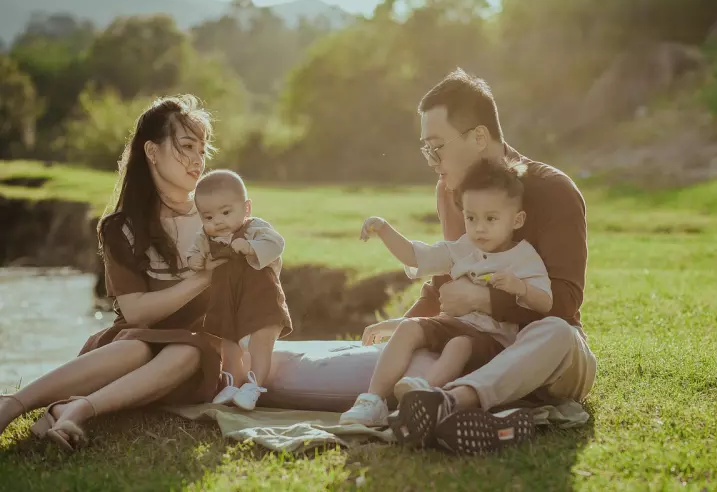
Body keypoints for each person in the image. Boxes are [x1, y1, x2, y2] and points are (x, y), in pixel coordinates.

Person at [0, 95, 280, 451]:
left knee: (188, 351)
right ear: (152, 151)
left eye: (202, 149)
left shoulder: (220, 216)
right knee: (135, 348)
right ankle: (13, 404)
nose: (198, 159)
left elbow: (262, 281)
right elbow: (136, 314)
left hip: (197, 351)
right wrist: (202, 278)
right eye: (187, 146)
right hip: (134, 342)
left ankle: (76, 410)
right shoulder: (121, 227)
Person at [360, 69, 597, 455]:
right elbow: (447, 279)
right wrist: (408, 326)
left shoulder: (554, 191)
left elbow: (565, 304)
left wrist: (483, 300)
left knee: (556, 332)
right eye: (426, 149)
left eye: (437, 147)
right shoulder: (451, 191)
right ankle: (464, 410)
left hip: (548, 360)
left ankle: (453, 403)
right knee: (402, 367)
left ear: (480, 137)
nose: (432, 161)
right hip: (478, 349)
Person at [340, 158, 552, 428]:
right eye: (471, 218)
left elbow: (545, 303)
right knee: (408, 328)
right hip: (452, 323)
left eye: (491, 218)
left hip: (492, 341)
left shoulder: (524, 258)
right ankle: (373, 400)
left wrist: (519, 287)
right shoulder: (463, 248)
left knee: (459, 345)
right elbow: (416, 256)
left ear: (517, 220)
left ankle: (423, 394)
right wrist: (383, 228)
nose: (479, 228)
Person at [187, 169, 292, 410]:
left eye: (226, 212)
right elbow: (194, 253)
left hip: (261, 299)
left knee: (260, 342)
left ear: (246, 208)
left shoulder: (255, 228)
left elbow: (277, 244)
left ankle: (254, 385)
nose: (218, 221)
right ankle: (231, 384)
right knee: (229, 346)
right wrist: (195, 260)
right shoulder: (206, 237)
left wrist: (251, 247)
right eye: (208, 217)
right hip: (228, 302)